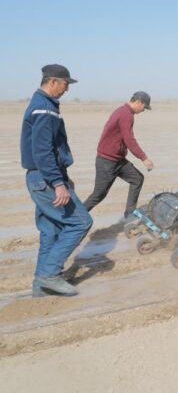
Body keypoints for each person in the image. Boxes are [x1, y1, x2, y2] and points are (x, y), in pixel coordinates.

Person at [21, 64, 93, 297]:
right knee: (81, 222)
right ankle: (50, 275)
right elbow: (43, 150)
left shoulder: (42, 105)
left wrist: (64, 177)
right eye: (65, 84)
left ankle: (41, 288)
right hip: (46, 179)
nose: (66, 89)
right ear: (53, 82)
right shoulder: (45, 108)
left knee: (50, 231)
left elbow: (49, 150)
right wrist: (58, 183)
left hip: (40, 177)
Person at [83, 91, 154, 222]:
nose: (143, 110)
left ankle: (129, 214)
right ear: (138, 102)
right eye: (144, 107)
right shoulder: (126, 115)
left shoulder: (123, 111)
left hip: (118, 160)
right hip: (107, 161)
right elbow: (129, 139)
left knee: (137, 178)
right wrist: (144, 158)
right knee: (99, 194)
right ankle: (75, 219)